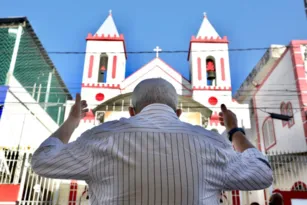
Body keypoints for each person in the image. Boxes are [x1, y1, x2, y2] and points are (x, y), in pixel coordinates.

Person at [31, 78, 273, 205]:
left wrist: (73, 121)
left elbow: (42, 161)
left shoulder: (100, 139)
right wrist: (234, 130)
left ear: (131, 111)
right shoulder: (210, 142)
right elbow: (262, 173)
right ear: (178, 113)